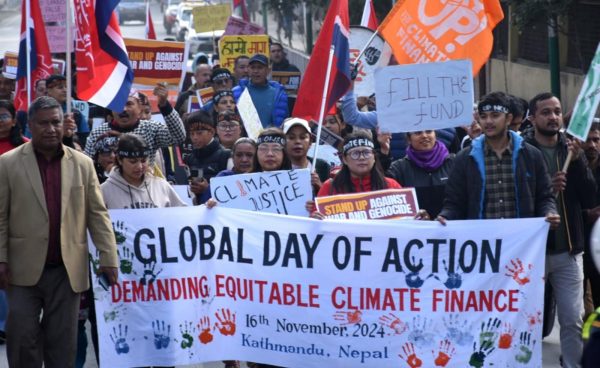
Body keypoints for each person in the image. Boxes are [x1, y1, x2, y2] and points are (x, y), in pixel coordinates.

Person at [0, 96, 119, 367]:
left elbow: (97, 215)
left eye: (56, 122)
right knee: (22, 341)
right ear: (30, 125)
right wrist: (1, 258)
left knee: (62, 345)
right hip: (21, 270)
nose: (51, 129)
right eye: (44, 123)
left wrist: (108, 257)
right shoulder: (7, 164)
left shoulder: (83, 164)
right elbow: (0, 216)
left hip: (66, 270)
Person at [522, 92, 597, 368]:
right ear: (532, 118)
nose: (553, 117)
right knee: (526, 318)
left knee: (572, 319)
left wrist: (578, 163)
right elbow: (517, 197)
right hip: (533, 254)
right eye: (545, 112)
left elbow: (590, 198)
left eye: (556, 111)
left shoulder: (571, 150)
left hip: (568, 251)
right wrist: (545, 191)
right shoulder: (522, 151)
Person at [437, 91, 558, 224]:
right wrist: (446, 216)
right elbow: (454, 202)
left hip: (521, 241)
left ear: (508, 119)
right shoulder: (464, 158)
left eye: (495, 116)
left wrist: (549, 212)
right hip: (482, 241)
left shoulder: (532, 155)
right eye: (483, 116)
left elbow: (545, 197)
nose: (488, 121)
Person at [84, 86, 186, 166]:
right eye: (118, 104)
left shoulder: (151, 128)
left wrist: (165, 106)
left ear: (140, 109)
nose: (123, 109)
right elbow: (87, 163)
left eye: (129, 104)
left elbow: (178, 137)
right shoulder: (98, 133)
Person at [101, 134, 186, 209]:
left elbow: (183, 214)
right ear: (120, 160)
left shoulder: (161, 185)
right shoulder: (104, 191)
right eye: (133, 162)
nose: (139, 167)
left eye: (143, 161)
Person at [387, 130, 455, 218]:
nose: (424, 136)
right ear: (409, 139)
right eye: (418, 133)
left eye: (429, 131)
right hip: (416, 228)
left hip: (450, 227)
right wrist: (383, 152)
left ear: (435, 134)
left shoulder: (454, 162)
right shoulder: (398, 169)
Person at [184, 110, 232, 205]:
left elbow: (232, 188)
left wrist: (208, 189)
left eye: (199, 133)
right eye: (192, 134)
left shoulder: (226, 156)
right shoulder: (189, 159)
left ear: (212, 132)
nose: (195, 137)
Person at [232, 54, 289, 128]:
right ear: (249, 70)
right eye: (253, 67)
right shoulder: (237, 92)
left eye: (260, 67)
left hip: (271, 137)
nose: (256, 71)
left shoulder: (278, 94)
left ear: (268, 70)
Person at [282, 117, 330, 193]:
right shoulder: (278, 169)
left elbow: (331, 199)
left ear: (310, 142)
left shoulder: (323, 166)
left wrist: (320, 186)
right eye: (291, 138)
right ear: (283, 142)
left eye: (303, 137)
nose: (297, 141)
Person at [582, 122, 600, 311]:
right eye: (587, 140)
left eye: (596, 140)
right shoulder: (572, 168)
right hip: (577, 242)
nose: (592, 145)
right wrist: (587, 215)